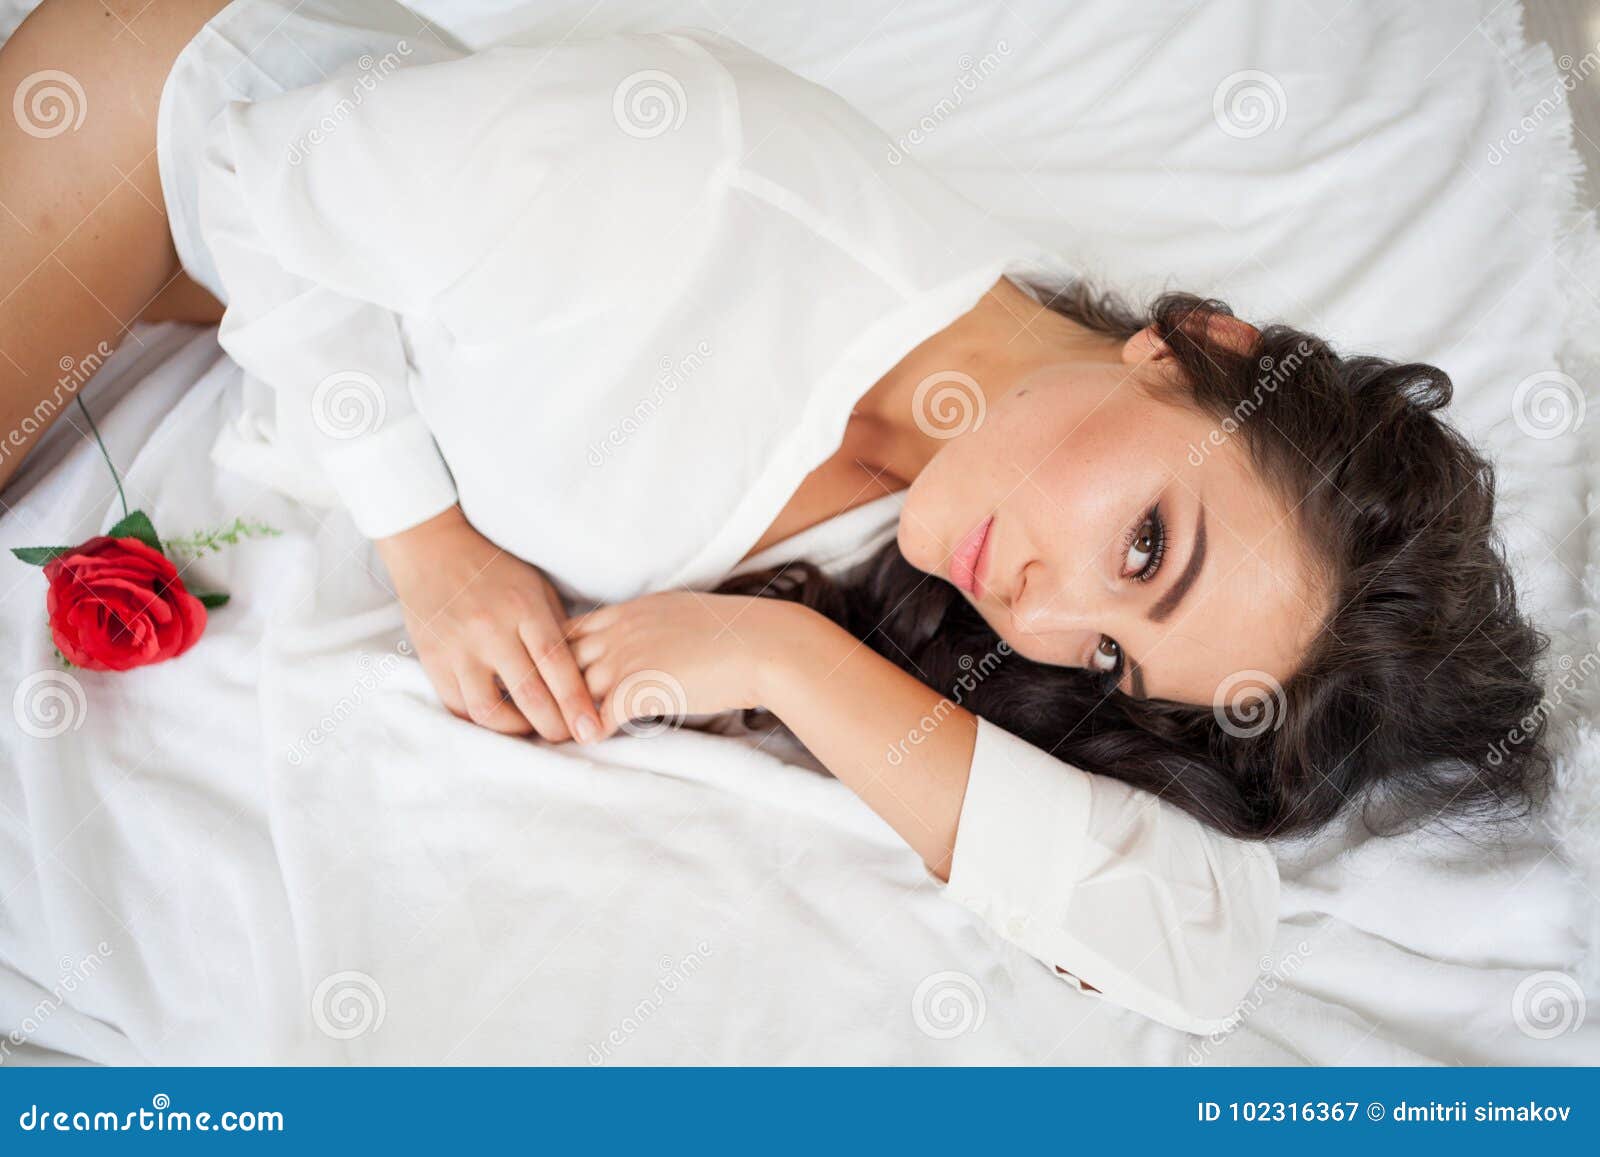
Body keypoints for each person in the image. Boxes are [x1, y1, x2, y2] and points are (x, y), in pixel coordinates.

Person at [0, 0, 1547, 1031]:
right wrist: (428, 543)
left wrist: (780, 658)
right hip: (164, 110)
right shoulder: (694, 176)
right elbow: (254, 172)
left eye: (1115, 657)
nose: (1046, 613)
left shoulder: (954, 511)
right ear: (1194, 344)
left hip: (240, 278)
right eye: (1145, 544)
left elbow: (1199, 946)